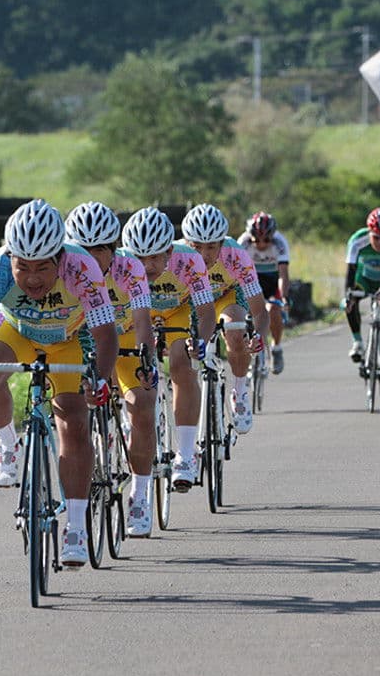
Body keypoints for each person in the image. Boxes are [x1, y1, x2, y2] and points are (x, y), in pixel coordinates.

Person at [0, 199, 118, 568]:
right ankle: (8, 445)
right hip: (18, 332)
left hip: (68, 337)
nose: (32, 278)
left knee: (74, 423)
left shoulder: (82, 269)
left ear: (59, 258)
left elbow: (106, 335)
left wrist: (99, 378)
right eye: (23, 267)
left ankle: (76, 527)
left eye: (42, 268)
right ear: (10, 258)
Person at [64, 201, 159, 538]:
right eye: (83, 249)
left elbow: (144, 320)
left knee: (142, 405)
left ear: (114, 249)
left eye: (99, 250)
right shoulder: (64, 269)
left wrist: (147, 357)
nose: (90, 258)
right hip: (84, 340)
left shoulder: (130, 268)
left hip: (127, 336)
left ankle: (139, 496)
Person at [119, 206, 216, 494]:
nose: (147, 266)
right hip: (135, 316)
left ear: (169, 253)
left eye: (155, 258)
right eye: (140, 258)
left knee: (181, 363)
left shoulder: (190, 260)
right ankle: (125, 421)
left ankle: (186, 456)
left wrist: (201, 342)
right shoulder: (121, 265)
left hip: (177, 312)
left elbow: (207, 311)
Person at [179, 203, 270, 435]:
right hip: (191, 301)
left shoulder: (237, 255)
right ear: (186, 242)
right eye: (196, 246)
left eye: (211, 247)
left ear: (222, 243)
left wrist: (258, 335)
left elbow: (259, 309)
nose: (204, 254)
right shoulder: (176, 255)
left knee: (235, 330)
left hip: (225, 295)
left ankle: (239, 391)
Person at [344, 207, 380, 387]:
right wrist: (348, 294)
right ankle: (357, 340)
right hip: (364, 279)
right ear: (369, 232)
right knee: (349, 300)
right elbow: (350, 271)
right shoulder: (358, 240)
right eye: (376, 237)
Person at [237, 211, 290, 374]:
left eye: (266, 240)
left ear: (272, 236)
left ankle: (277, 348)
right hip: (250, 280)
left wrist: (284, 299)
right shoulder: (243, 243)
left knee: (273, 308)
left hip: (272, 282)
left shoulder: (280, 243)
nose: (261, 244)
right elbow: (235, 275)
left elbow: (283, 274)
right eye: (256, 240)